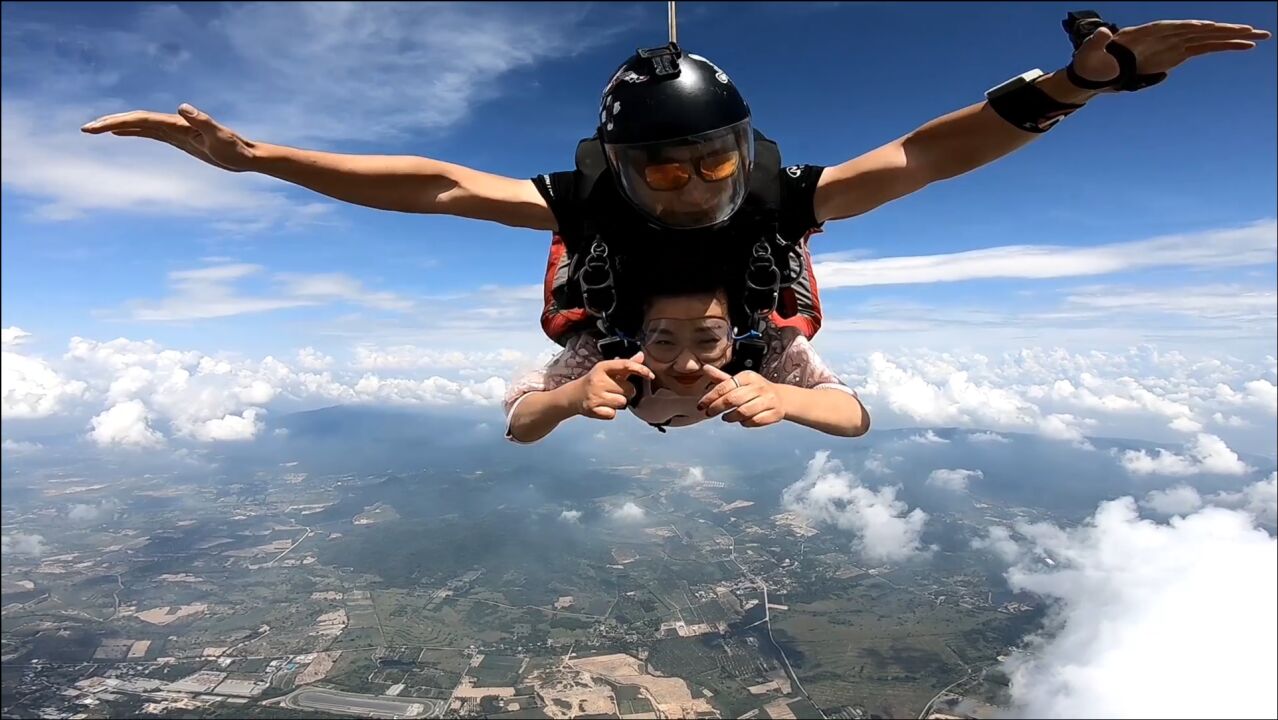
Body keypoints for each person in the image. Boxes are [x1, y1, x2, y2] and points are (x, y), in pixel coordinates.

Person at [79, 9, 1270, 430]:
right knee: (565, 386)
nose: (693, 184)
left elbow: (927, 152)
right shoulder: (588, 206)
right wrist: (256, 160)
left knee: (574, 385)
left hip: (717, 361)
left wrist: (1082, 83)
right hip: (646, 358)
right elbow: (430, 183)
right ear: (618, 161)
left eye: (712, 160)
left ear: (738, 149)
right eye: (664, 167)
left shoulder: (777, 201)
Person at [503, 264, 868, 443]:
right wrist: (570, 397)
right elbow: (519, 424)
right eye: (663, 341)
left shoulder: (765, 345)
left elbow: (854, 417)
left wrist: (782, 397)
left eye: (708, 339)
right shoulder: (606, 349)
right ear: (635, 335)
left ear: (738, 331)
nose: (687, 362)